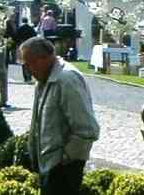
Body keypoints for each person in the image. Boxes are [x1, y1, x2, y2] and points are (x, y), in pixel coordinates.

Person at [21, 36, 100, 195]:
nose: (27, 70)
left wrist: (62, 160)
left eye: (28, 64)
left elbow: (87, 130)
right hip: (48, 167)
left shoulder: (67, 79)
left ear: (42, 59)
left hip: (62, 170)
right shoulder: (44, 80)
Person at [15, 18, 37, 82]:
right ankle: (29, 76)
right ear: (27, 21)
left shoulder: (20, 28)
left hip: (22, 45)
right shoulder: (30, 28)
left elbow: (16, 37)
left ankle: (25, 78)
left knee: (23, 61)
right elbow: (34, 36)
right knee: (29, 61)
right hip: (29, 45)